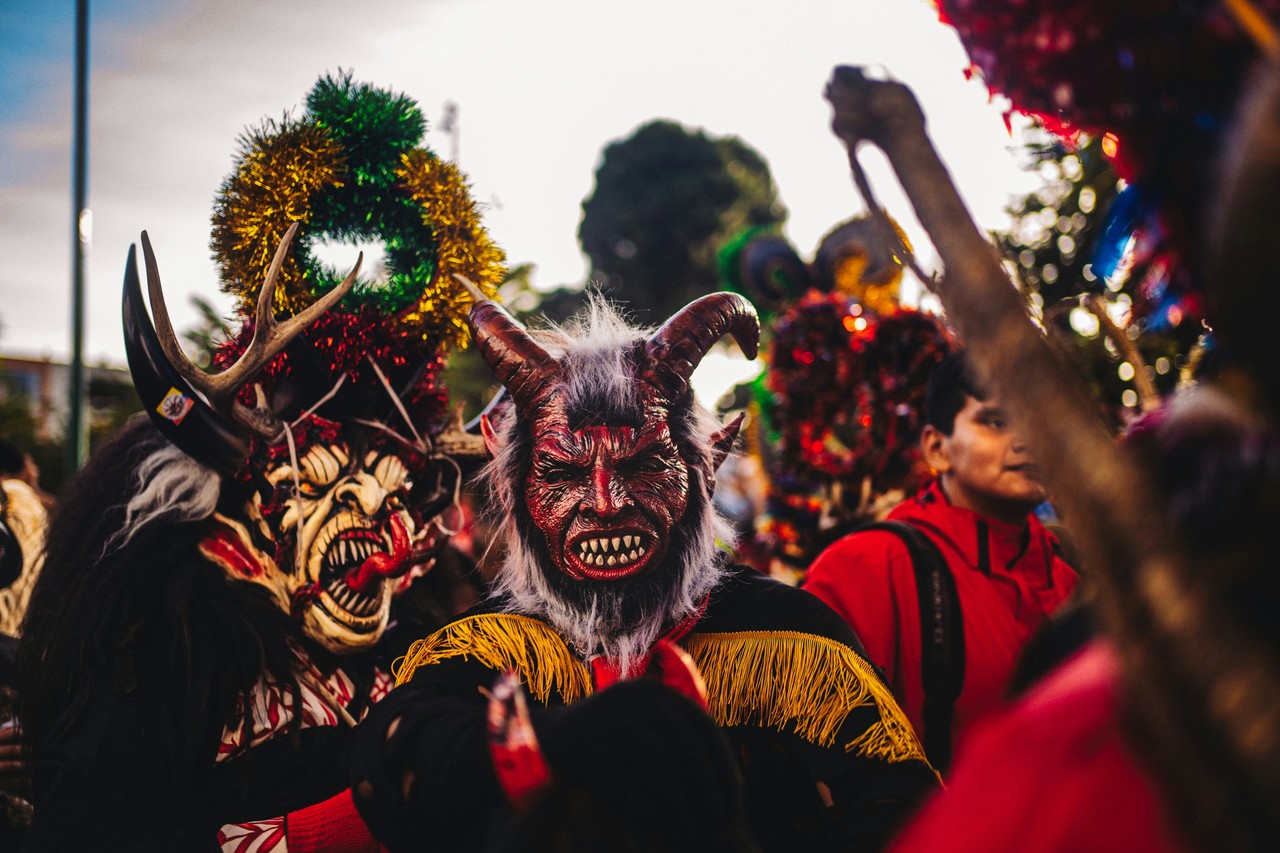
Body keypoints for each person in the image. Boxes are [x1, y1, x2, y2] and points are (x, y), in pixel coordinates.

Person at [351, 289, 939, 853]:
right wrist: (558, 744)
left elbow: (905, 809)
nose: (606, 503)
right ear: (514, 488)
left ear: (704, 466)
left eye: (643, 463)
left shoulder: (790, 636)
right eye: (562, 473)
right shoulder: (485, 645)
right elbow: (391, 762)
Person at [16, 225, 489, 851]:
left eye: (392, 486)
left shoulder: (431, 652)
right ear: (232, 520)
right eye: (318, 479)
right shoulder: (160, 663)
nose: (372, 504)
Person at [804, 351, 1078, 770]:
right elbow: (819, 762)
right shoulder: (866, 568)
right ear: (937, 447)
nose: (1028, 440)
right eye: (997, 422)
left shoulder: (1073, 578)